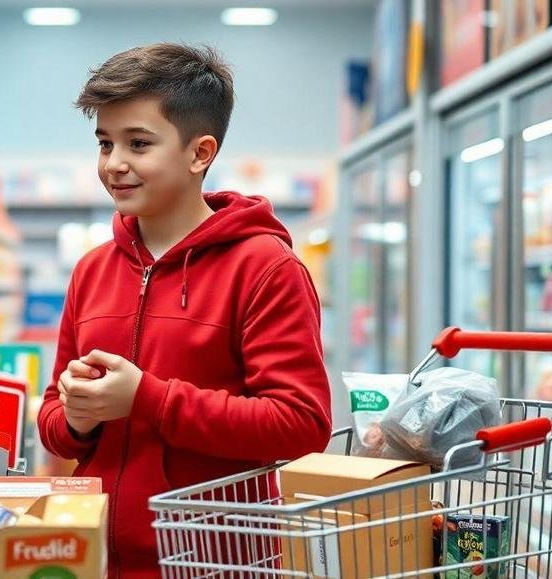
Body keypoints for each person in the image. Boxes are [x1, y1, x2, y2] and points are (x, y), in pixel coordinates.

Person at [37, 43, 333, 577]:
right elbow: (53, 420)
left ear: (200, 153)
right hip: (94, 557)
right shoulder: (92, 270)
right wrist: (75, 418)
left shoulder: (265, 268)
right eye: (105, 143)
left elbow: (300, 424)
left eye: (139, 143)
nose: (114, 164)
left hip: (216, 561)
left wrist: (147, 398)